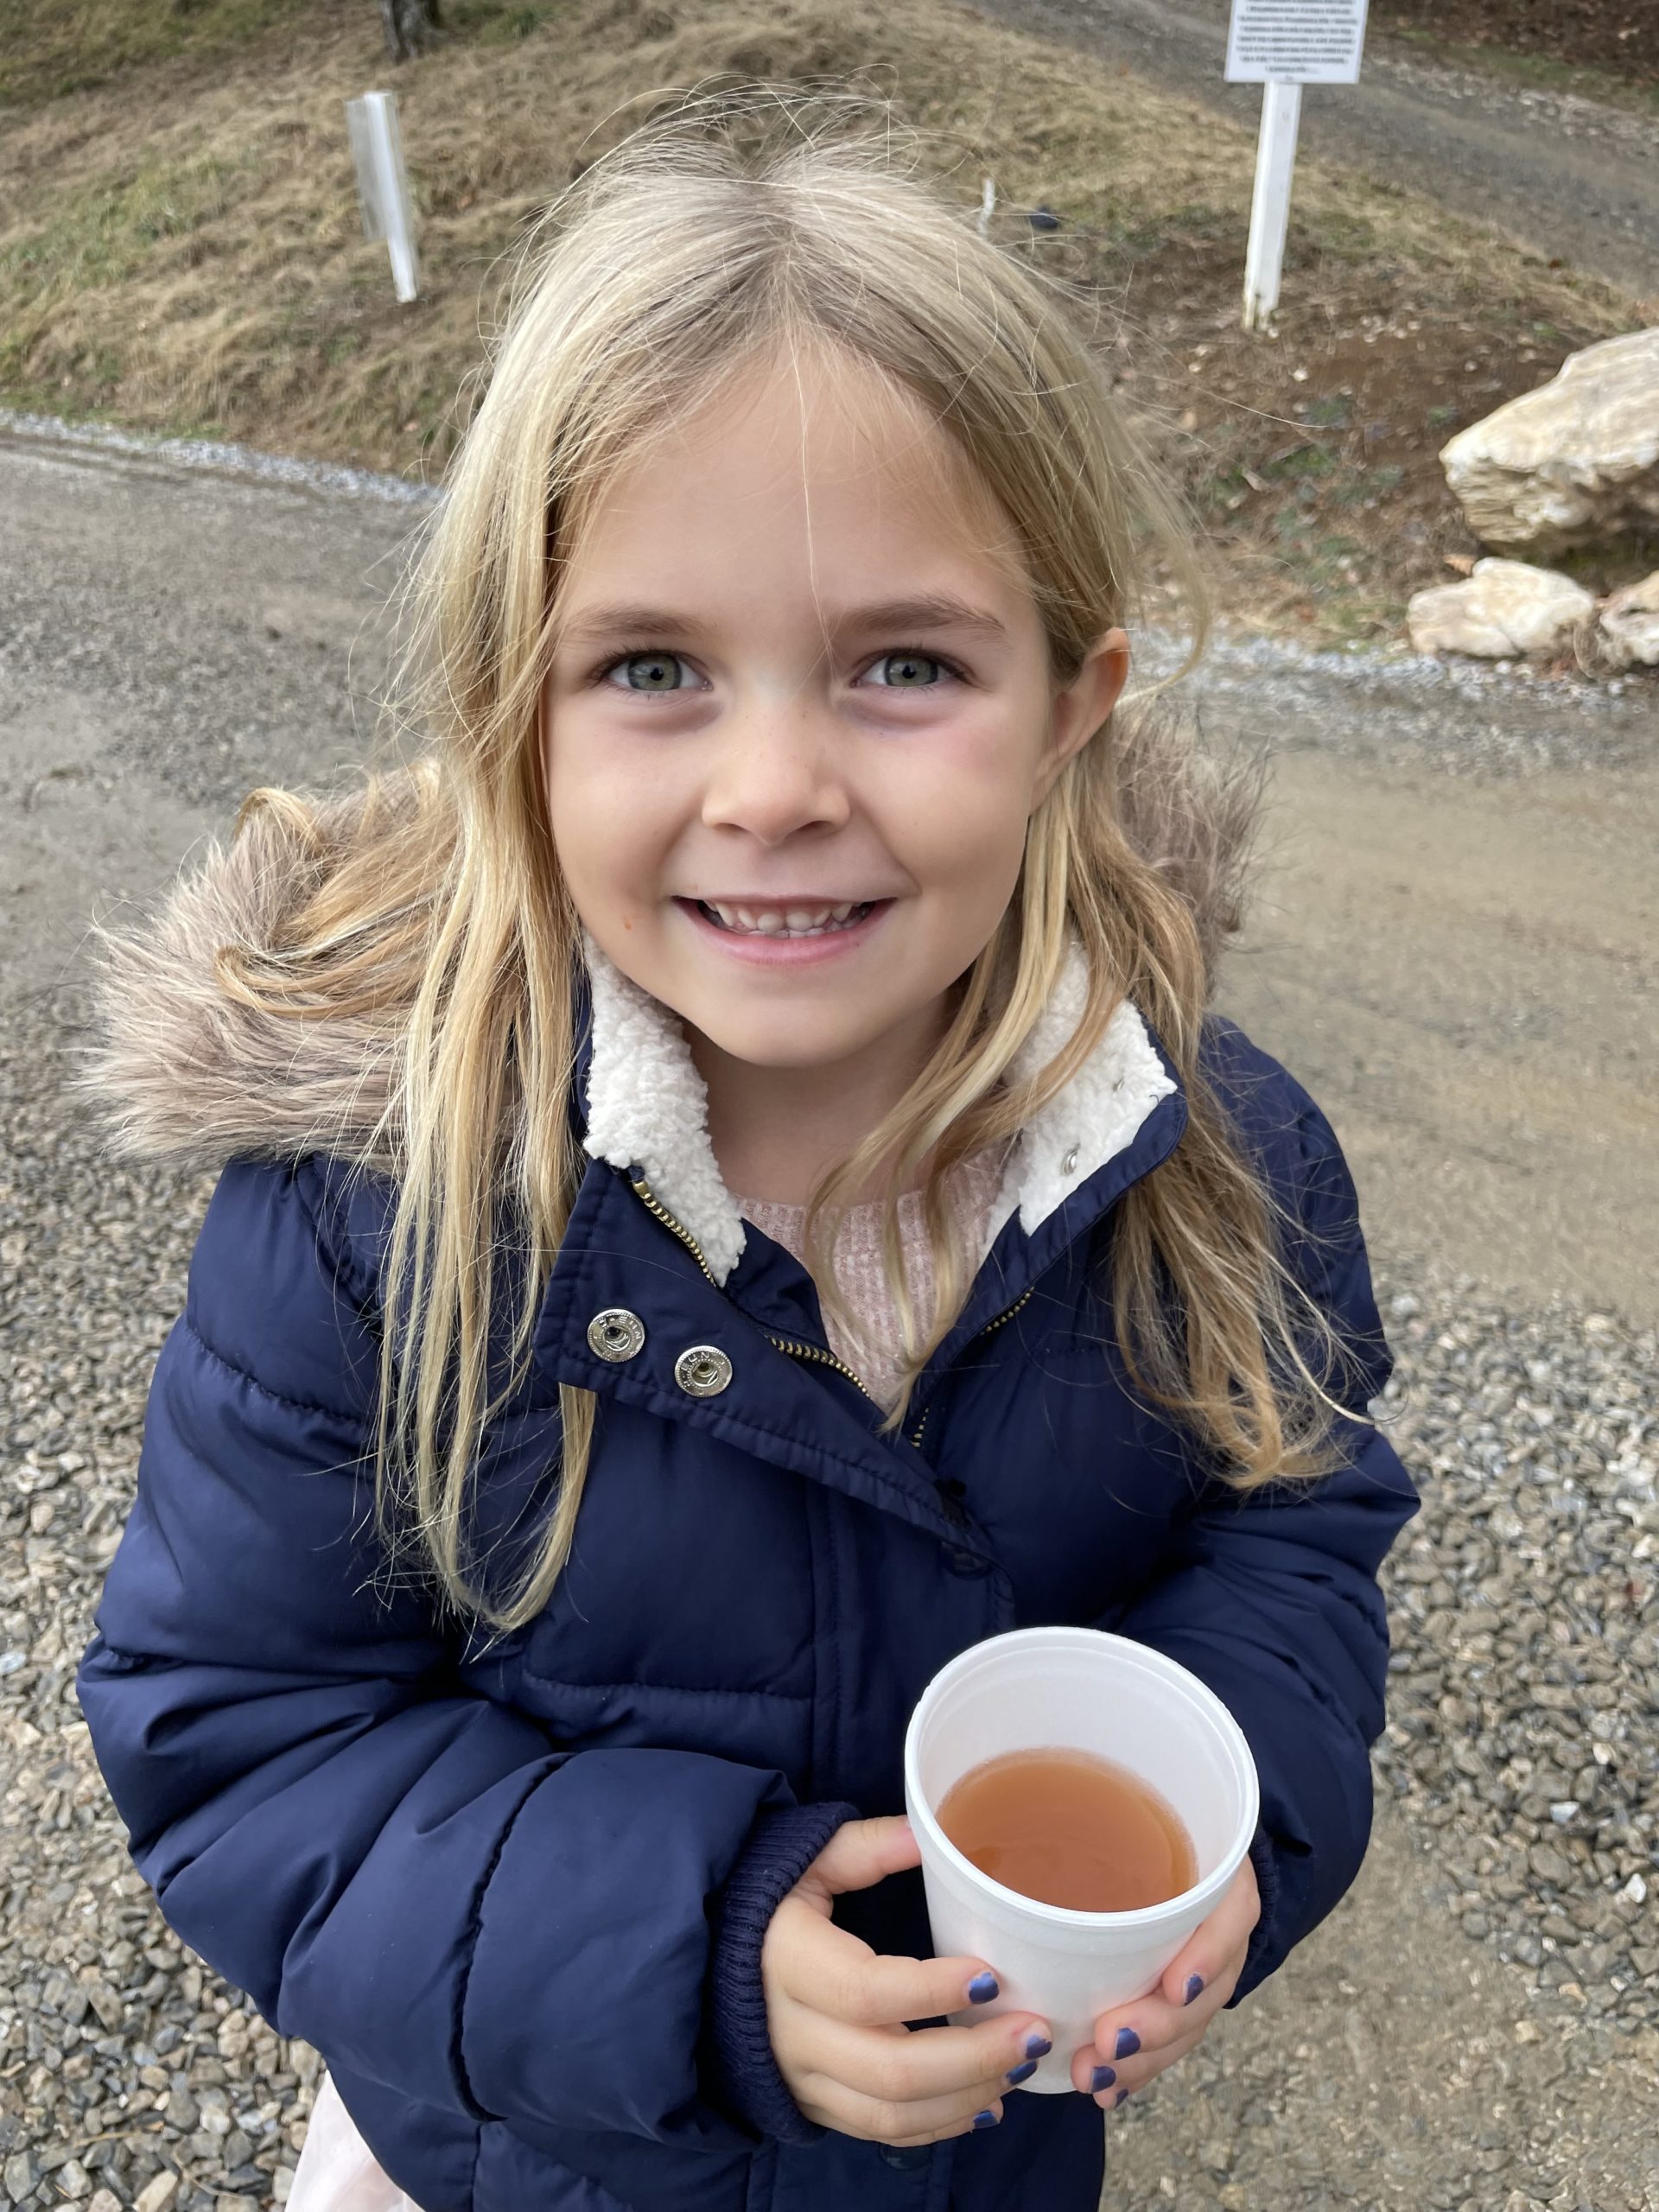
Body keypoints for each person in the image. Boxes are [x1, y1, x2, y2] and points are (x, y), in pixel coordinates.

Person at [74, 86, 1419, 2212]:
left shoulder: (1208, 1153)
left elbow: (1293, 1530)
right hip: (530, 2155)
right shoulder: (372, 1213)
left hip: (983, 2154)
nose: (776, 782)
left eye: (904, 663)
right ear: (513, 714)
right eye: (652, 668)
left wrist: (1237, 1800)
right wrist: (686, 1952)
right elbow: (249, 1732)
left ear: (1076, 700)